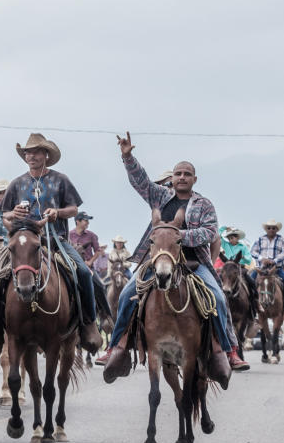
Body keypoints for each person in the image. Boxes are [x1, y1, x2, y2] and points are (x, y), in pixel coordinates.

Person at [99, 133, 246, 384]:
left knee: (219, 297)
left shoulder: (204, 204)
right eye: (178, 174)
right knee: (125, 295)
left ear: (194, 179)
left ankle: (229, 350)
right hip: (156, 261)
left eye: (187, 174)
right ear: (172, 178)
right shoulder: (160, 196)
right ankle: (116, 347)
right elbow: (141, 182)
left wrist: (176, 236)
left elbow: (210, 232)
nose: (182, 178)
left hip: (193, 263)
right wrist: (127, 157)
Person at [0, 133, 103, 355]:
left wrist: (58, 212)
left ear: (46, 155)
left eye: (37, 151)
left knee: (85, 274)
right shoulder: (16, 183)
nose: (31, 156)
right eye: (28, 152)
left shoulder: (61, 179)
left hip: (55, 241)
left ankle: (89, 325)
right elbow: (4, 215)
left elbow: (74, 209)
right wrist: (13, 212)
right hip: (23, 243)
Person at [251, 220, 284, 285]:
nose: (271, 230)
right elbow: (253, 251)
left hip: (276, 269)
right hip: (261, 268)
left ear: (277, 229)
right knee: (250, 281)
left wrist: (274, 261)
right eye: (269, 228)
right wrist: (262, 259)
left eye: (273, 228)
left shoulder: (282, 239)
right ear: (266, 229)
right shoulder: (260, 239)